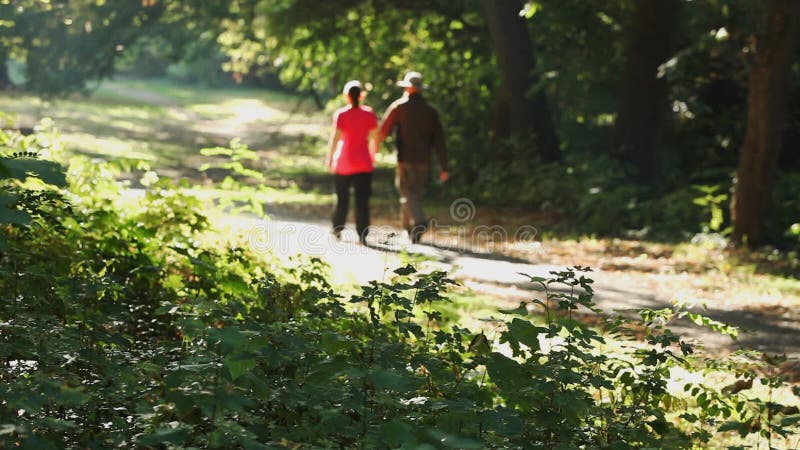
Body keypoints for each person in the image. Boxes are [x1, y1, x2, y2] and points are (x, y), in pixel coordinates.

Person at [378, 71, 448, 244]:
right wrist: (444, 166)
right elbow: (440, 141)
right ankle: (409, 231)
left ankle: (419, 222)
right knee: (414, 194)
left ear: (408, 88)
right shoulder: (431, 111)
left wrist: (373, 146)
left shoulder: (399, 107)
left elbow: (383, 130)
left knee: (406, 192)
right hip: (424, 160)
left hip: (405, 158)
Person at [326, 80, 378, 245]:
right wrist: (372, 156)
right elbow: (374, 139)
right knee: (362, 200)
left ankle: (337, 229)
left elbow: (335, 139)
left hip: (344, 162)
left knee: (342, 199)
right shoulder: (369, 113)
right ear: (361, 96)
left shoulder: (341, 114)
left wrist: (329, 159)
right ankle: (362, 234)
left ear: (346, 96)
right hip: (363, 162)